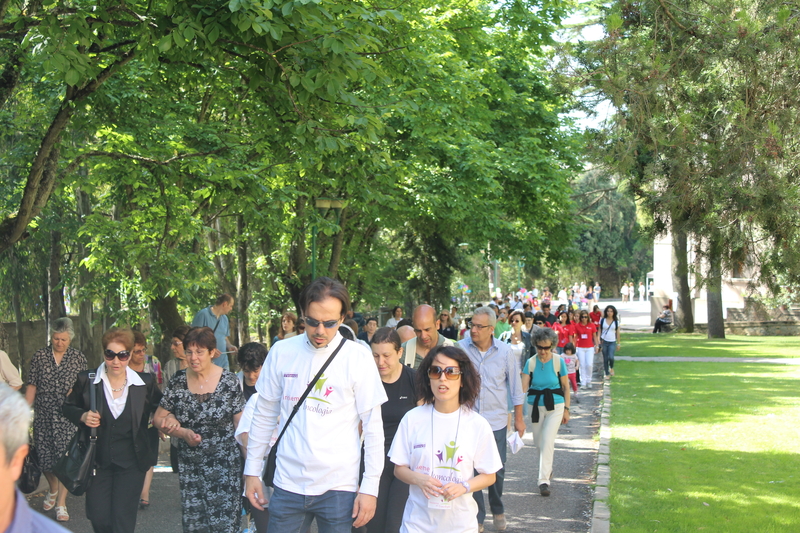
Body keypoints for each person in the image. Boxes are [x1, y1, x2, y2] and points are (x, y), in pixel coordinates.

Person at [244, 277, 387, 533]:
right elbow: (264, 415)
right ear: (303, 315)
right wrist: (252, 472)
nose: (320, 331)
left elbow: (374, 427)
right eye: (312, 321)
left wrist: (370, 488)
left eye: (330, 323)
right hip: (287, 482)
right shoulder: (281, 352)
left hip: (339, 486)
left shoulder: (358, 358)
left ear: (343, 317)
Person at [389, 346, 502, 533]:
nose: (442, 378)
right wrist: (418, 479)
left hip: (460, 525)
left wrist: (464, 487)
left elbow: (489, 475)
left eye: (451, 372)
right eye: (436, 371)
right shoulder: (412, 418)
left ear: (463, 379)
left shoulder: (477, 424)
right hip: (416, 524)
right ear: (428, 378)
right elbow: (399, 468)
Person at [62, 328, 163, 533]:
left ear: (129, 354)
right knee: (98, 517)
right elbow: (67, 406)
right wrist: (82, 416)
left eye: (122, 355)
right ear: (103, 353)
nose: (116, 361)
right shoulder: (87, 380)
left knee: (123, 521)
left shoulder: (144, 383)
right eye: (110, 354)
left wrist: (166, 422)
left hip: (132, 462)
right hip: (97, 461)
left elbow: (160, 408)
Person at [154, 327, 245, 533]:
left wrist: (251, 470)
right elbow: (158, 418)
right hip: (191, 468)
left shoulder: (229, 382)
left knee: (224, 526)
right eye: (188, 352)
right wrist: (181, 433)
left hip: (225, 467)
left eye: (199, 352)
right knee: (197, 527)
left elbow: (242, 428)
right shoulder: (177, 382)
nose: (193, 358)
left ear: (212, 352)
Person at [459, 307, 524, 532]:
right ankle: (478, 516)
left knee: (497, 469)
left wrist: (518, 418)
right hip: (468, 420)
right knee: (471, 470)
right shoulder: (461, 349)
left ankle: (497, 507)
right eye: (472, 325)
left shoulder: (505, 352)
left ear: (491, 329)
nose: (473, 330)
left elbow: (515, 387)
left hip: (496, 422)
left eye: (479, 326)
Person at [25, 317, 87, 522]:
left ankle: (61, 503)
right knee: (44, 459)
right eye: (56, 338)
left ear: (70, 339)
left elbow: (82, 388)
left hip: (67, 417)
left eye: (63, 339)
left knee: (64, 459)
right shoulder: (40, 357)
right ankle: (52, 488)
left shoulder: (78, 358)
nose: (59, 342)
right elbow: (32, 386)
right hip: (43, 415)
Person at [361, 328, 418, 533]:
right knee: (373, 523)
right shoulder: (365, 382)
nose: (380, 362)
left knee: (395, 524)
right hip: (374, 460)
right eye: (375, 355)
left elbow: (425, 423)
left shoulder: (414, 379)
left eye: (386, 356)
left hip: (405, 461)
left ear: (400, 353)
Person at [0, 383, 71, 533]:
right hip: (44, 420)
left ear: (16, 461)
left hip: (64, 420)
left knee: (63, 463)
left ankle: (60, 502)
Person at [521, 328, 570, 497]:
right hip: (535, 406)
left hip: (555, 405)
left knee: (548, 440)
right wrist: (518, 413)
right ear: (535, 345)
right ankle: (547, 470)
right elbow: (523, 388)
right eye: (539, 347)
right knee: (539, 443)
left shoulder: (558, 362)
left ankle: (543, 481)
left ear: (552, 346)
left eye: (546, 348)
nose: (543, 351)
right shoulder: (531, 363)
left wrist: (567, 409)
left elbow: (566, 387)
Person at [235, 342, 270, 533]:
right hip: (242, 448)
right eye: (246, 371)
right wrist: (250, 465)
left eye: (256, 370)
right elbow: (241, 430)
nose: (251, 376)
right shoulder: (234, 384)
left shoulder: (273, 385)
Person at [128, 331, 161, 511]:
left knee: (148, 455)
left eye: (143, 350)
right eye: (137, 351)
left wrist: (161, 418)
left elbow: (159, 391)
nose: (141, 355)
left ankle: (144, 494)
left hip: (150, 419)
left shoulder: (153, 363)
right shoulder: (122, 365)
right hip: (130, 420)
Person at [191, 293, 237, 370]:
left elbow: (224, 337)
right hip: (207, 363)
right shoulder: (203, 314)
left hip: (223, 362)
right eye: (231, 306)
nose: (231, 309)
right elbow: (194, 338)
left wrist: (229, 346)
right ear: (225, 304)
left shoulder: (225, 318)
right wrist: (210, 350)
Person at [573, 311, 599, 389]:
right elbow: (575, 337)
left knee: (589, 364)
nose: (584, 319)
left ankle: (589, 380)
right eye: (582, 317)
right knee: (582, 365)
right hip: (580, 347)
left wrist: (597, 346)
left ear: (588, 317)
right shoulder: (577, 326)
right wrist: (574, 347)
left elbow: (595, 336)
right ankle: (583, 382)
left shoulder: (592, 325)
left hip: (590, 347)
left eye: (585, 317)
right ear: (580, 318)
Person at [599, 306, 621, 379]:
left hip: (612, 341)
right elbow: (599, 331)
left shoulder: (616, 322)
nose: (609, 313)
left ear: (614, 312)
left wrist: (618, 343)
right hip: (604, 341)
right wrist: (599, 341)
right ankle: (607, 373)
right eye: (608, 311)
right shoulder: (602, 320)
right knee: (605, 358)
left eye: (611, 311)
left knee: (611, 357)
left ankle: (611, 367)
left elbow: (618, 333)